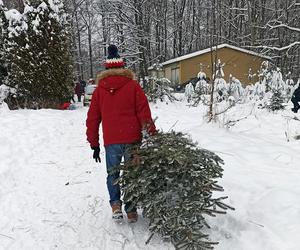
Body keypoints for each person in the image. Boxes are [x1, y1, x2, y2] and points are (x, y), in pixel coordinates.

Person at [86, 44, 156, 223]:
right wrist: (151, 135)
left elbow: (93, 118)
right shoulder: (133, 86)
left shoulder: (99, 90)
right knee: (132, 173)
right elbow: (144, 113)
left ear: (107, 68)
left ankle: (116, 206)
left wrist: (94, 143)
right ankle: (131, 210)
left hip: (112, 141)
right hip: (133, 138)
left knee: (113, 174)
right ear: (122, 66)